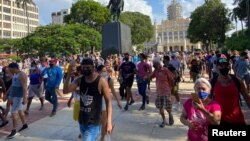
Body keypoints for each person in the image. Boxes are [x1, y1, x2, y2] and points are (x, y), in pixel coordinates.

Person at [63, 58, 113, 141]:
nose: (85, 69)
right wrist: (68, 75)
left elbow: (108, 101)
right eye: (83, 68)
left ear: (93, 67)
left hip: (94, 122)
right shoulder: (80, 80)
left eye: (88, 67)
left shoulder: (101, 81)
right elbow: (65, 91)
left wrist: (109, 122)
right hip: (82, 120)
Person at [211, 54, 250, 125]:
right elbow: (208, 101)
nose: (224, 67)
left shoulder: (238, 81)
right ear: (217, 67)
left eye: (226, 65)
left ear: (230, 66)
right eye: (221, 65)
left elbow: (247, 99)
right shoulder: (212, 82)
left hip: (237, 119)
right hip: (219, 120)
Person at [97, 65, 122, 141]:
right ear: (98, 72)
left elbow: (113, 91)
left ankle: (103, 137)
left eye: (105, 71)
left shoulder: (109, 80)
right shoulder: (96, 79)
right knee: (99, 121)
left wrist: (118, 101)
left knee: (104, 121)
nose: (104, 73)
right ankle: (105, 134)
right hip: (97, 102)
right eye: (102, 71)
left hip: (105, 101)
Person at [149, 59, 175, 127]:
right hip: (159, 92)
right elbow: (150, 77)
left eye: (155, 65)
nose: (155, 67)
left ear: (159, 64)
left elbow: (172, 79)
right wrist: (148, 75)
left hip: (166, 91)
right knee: (160, 107)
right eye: (154, 65)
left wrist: (172, 88)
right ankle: (164, 120)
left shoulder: (165, 70)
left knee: (168, 106)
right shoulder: (156, 71)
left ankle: (170, 115)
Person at [7, 63, 28, 139]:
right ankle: (25, 124)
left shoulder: (22, 75)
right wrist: (7, 93)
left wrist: (25, 98)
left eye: (10, 69)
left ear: (13, 68)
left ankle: (14, 130)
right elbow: (13, 85)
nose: (9, 71)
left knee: (13, 112)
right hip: (14, 95)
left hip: (19, 96)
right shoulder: (15, 74)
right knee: (19, 110)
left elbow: (25, 87)